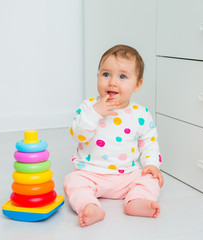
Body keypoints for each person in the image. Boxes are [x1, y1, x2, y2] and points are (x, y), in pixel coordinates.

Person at [64, 44, 164, 227]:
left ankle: (136, 201)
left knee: (152, 179)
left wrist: (151, 164)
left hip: (127, 175)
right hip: (91, 172)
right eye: (106, 74)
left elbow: (149, 142)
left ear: (138, 84)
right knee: (72, 181)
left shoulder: (140, 114)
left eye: (123, 76)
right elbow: (78, 135)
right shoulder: (88, 107)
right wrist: (95, 113)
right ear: (98, 76)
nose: (112, 82)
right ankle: (89, 205)